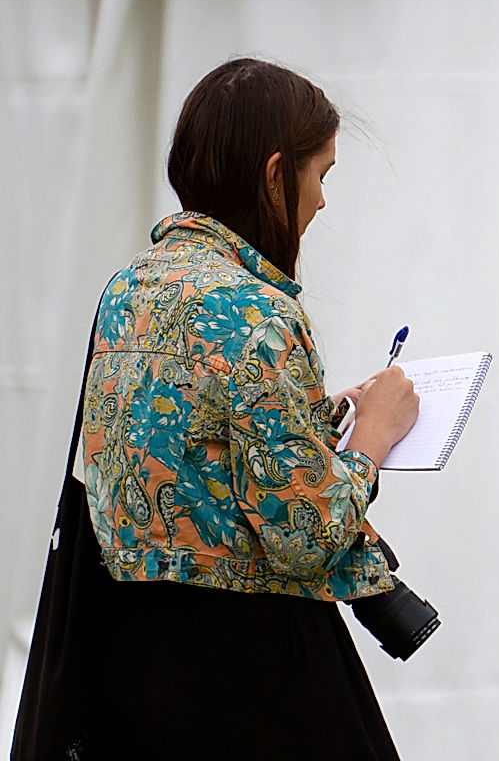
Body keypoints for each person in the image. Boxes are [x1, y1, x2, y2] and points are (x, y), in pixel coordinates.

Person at [25, 59, 420, 760]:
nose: (321, 202)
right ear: (275, 174)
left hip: (128, 667)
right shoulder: (256, 313)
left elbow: (180, 447)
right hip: (246, 676)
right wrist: (374, 436)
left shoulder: (129, 288)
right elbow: (307, 534)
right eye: (320, 175)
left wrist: (316, 416)